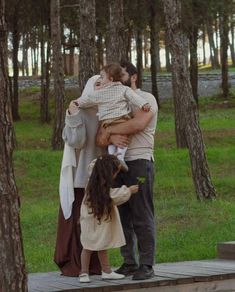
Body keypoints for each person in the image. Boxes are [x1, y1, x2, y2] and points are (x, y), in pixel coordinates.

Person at [97, 60, 158, 281]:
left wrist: (110, 129)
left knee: (142, 213)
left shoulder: (146, 99)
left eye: (121, 75)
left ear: (133, 77)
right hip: (115, 166)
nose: (116, 78)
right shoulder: (111, 103)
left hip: (139, 162)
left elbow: (138, 124)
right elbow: (99, 138)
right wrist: (108, 134)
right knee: (122, 215)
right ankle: (129, 262)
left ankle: (147, 264)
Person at [54, 75, 104, 276]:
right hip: (80, 177)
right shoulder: (78, 109)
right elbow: (76, 141)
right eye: (98, 84)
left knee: (95, 223)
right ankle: (74, 264)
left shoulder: (107, 111)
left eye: (105, 83)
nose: (102, 87)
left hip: (98, 178)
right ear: (90, 87)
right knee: (77, 222)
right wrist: (74, 115)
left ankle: (94, 266)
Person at [76, 63, 150, 171]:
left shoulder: (99, 93)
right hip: (121, 119)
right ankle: (120, 157)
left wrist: (77, 102)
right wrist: (144, 104)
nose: (100, 79)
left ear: (110, 78)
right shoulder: (124, 89)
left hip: (107, 122)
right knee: (124, 136)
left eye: (102, 77)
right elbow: (135, 98)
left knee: (114, 140)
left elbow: (87, 99)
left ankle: (113, 157)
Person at [79, 154, 139, 283]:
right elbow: (114, 196)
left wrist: (110, 158)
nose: (115, 176)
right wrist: (129, 190)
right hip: (94, 218)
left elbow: (95, 163)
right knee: (88, 246)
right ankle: (84, 272)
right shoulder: (102, 189)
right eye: (114, 173)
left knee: (99, 244)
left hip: (91, 218)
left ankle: (105, 271)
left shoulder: (92, 176)